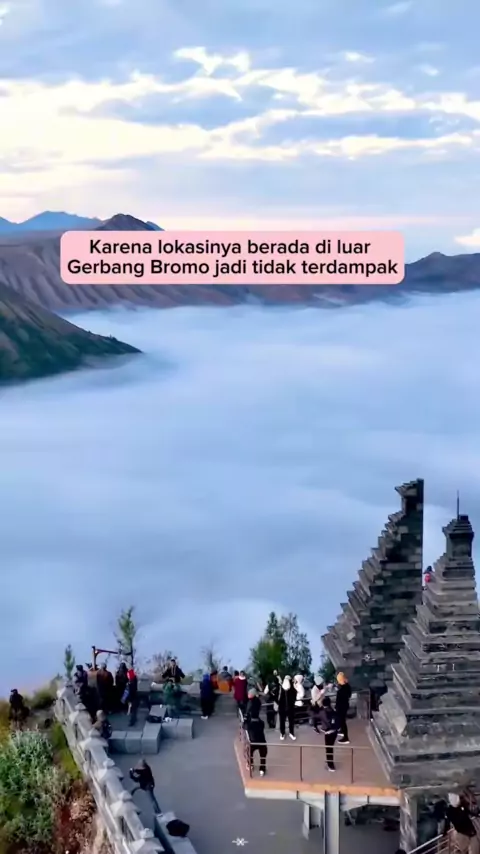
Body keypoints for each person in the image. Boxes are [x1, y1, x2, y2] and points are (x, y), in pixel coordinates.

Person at [318, 697, 339, 772]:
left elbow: (314, 714)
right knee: (330, 747)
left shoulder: (323, 712)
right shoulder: (333, 711)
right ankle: (330, 763)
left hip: (328, 733)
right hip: (334, 732)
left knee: (328, 749)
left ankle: (330, 766)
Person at [278, 675, 296, 741]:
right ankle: (283, 733)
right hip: (283, 708)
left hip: (289, 708)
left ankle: (290, 733)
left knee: (290, 721)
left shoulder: (292, 688)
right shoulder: (281, 688)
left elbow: (294, 696)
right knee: (282, 722)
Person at [335, 672, 352, 744]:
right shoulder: (347, 686)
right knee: (342, 721)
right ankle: (342, 731)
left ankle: (346, 738)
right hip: (345, 706)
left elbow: (338, 701)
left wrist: (336, 708)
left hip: (341, 708)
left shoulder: (341, 691)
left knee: (342, 722)